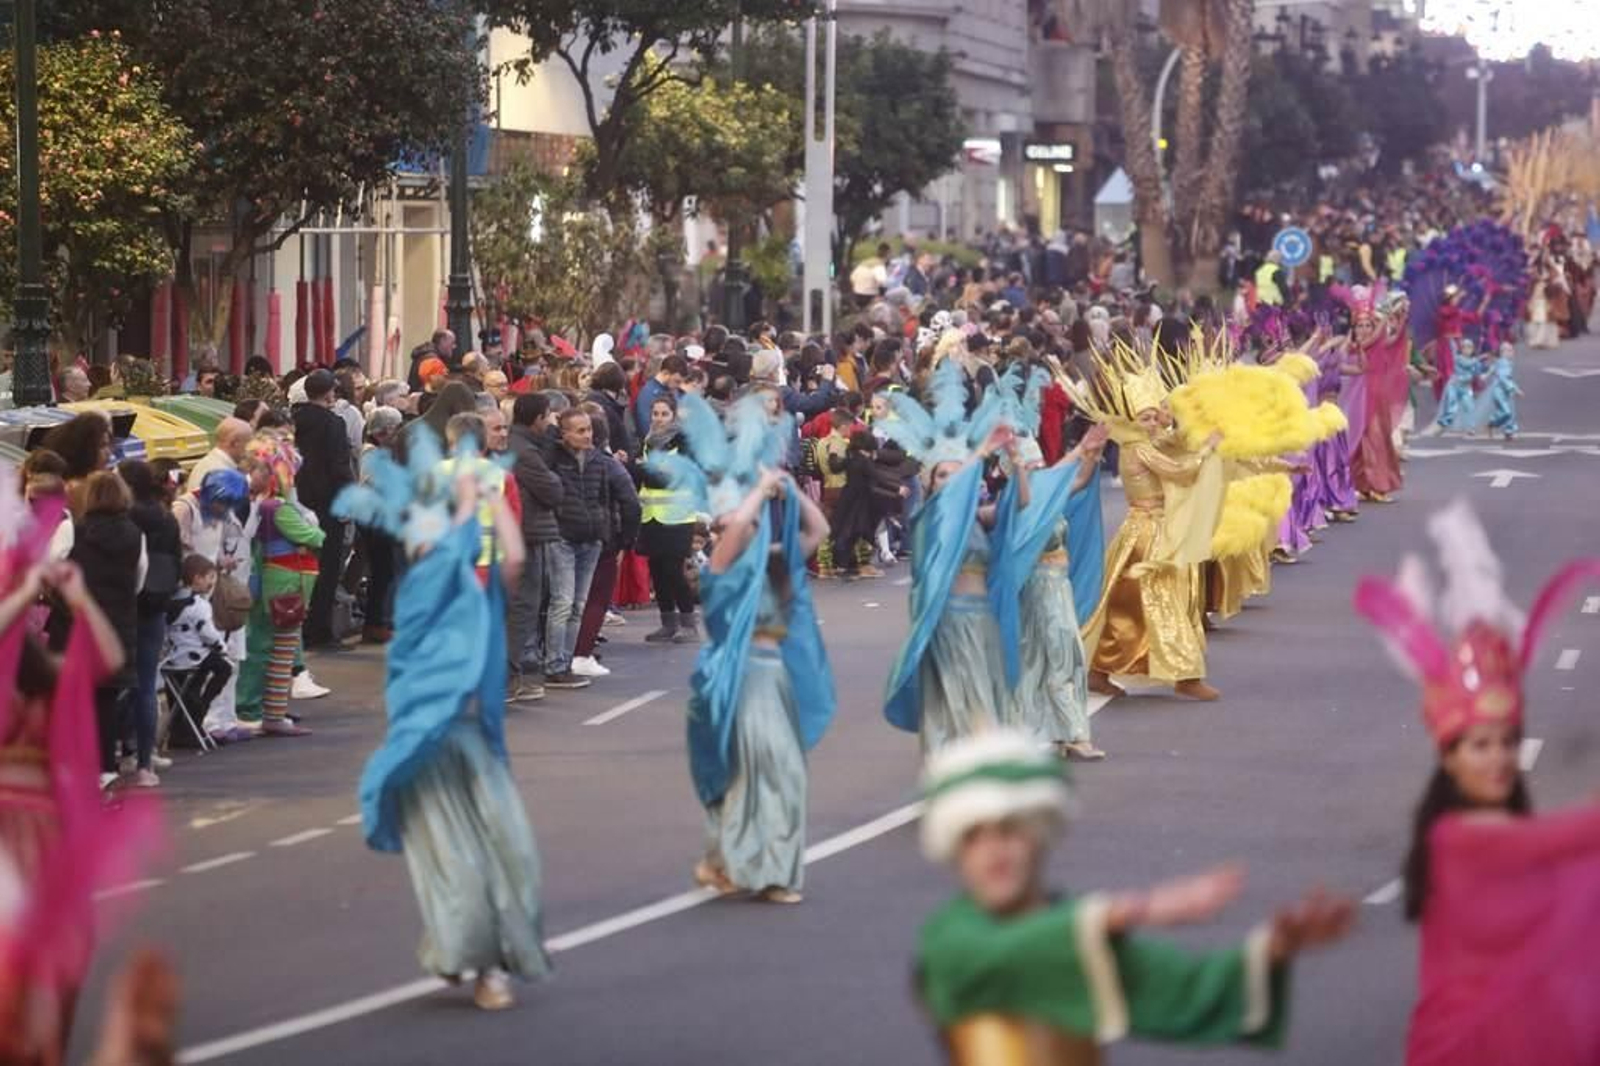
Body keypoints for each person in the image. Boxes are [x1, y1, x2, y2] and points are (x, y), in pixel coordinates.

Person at [914, 730, 1354, 1064]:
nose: (995, 850)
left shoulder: (1078, 934)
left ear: (1038, 836)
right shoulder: (950, 939)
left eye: (1009, 830)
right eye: (974, 837)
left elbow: (1187, 991)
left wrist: (1276, 947)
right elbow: (992, 957)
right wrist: (1129, 912)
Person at [1353, 502, 1600, 1066]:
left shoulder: (1504, 823)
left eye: (1507, 743)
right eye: (1480, 746)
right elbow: (1573, 837)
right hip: (1462, 1047)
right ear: (1450, 757)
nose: (1499, 759)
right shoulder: (1458, 837)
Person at [337, 426, 550, 1011]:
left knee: (512, 854)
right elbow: (442, 548)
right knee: (457, 863)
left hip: (473, 743)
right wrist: (465, 503)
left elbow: (513, 561)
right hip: (431, 744)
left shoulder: (477, 591)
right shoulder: (426, 577)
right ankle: (482, 966)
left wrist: (487, 501)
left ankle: (470, 953)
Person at [652, 395, 835, 901]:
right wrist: (757, 490)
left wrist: (792, 492)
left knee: (773, 773)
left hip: (774, 680)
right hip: (740, 680)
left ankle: (729, 860)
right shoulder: (719, 568)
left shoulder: (773, 561)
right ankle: (764, 870)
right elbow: (732, 531)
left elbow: (820, 531)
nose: (743, 527)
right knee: (768, 769)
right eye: (732, 523)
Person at [881, 360, 1025, 752]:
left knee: (986, 703)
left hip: (983, 622)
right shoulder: (929, 518)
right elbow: (952, 514)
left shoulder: (976, 516)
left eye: (955, 473)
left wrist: (1016, 462)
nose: (951, 480)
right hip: (949, 625)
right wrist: (978, 453)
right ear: (928, 481)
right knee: (961, 705)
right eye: (942, 474)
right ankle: (955, 778)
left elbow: (1017, 508)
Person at [1078, 362, 1225, 703]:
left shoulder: (1143, 440)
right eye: (1144, 418)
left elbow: (1171, 439)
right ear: (1131, 421)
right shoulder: (1138, 447)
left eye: (1152, 415)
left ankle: (1100, 670)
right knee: (1165, 602)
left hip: (1146, 530)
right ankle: (1186, 675)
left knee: (1128, 605)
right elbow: (1180, 471)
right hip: (1149, 533)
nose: (1152, 422)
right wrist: (1208, 448)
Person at [57, 471, 144, 790]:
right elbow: (139, 580)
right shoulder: (135, 534)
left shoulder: (72, 530)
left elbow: (50, 566)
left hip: (76, 624)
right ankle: (104, 768)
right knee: (106, 701)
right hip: (117, 625)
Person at [238, 436, 322, 736]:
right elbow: (315, 537)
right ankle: (257, 708)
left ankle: (264, 708)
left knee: (273, 645)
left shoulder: (261, 505)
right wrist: (312, 534)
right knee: (273, 645)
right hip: (281, 581)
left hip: (266, 578)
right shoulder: (276, 507)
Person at [121, 461, 182, 787]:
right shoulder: (166, 518)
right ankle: (146, 760)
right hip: (156, 606)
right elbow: (177, 561)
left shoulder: (124, 519)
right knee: (146, 684)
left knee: (116, 685)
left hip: (123, 606)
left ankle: (123, 751)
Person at [570, 405, 640, 677]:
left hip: (566, 537)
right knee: (596, 599)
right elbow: (631, 503)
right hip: (603, 540)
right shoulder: (609, 465)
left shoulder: (560, 461)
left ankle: (561, 652)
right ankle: (581, 652)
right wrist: (625, 539)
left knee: (568, 599)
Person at [504, 394, 563, 702]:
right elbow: (553, 490)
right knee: (523, 606)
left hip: (522, 532)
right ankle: (506, 675)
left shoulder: (526, 447)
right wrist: (553, 477)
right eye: (548, 416)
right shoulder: (524, 451)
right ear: (538, 417)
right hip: (525, 534)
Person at [543, 409, 606, 689]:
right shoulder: (553, 457)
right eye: (579, 430)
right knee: (562, 603)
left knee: (578, 605)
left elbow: (603, 496)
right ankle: (554, 664)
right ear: (564, 433)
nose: (587, 435)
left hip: (591, 539)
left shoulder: (596, 459)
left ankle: (566, 663)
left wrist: (604, 529)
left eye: (589, 429)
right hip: (563, 538)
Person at [293, 369, 355, 650]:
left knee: (301, 566)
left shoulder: (294, 421)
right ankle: (319, 629)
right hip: (329, 502)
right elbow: (339, 467)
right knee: (328, 567)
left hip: (298, 500)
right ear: (329, 392)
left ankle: (298, 626)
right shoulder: (334, 424)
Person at [162, 553, 234, 728]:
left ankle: (180, 730)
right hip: (195, 656)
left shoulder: (168, 602)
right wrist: (222, 647)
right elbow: (208, 634)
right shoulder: (199, 606)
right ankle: (203, 707)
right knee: (225, 668)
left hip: (172, 659)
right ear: (197, 578)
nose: (212, 583)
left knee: (180, 692)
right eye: (210, 578)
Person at [188, 417, 254, 491]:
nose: (249, 450)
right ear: (235, 443)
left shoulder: (207, 463)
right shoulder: (222, 474)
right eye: (247, 443)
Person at [632, 354, 687, 438]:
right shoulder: (648, 394)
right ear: (666, 373)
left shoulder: (672, 390)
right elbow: (646, 429)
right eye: (677, 381)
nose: (679, 385)